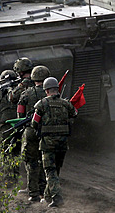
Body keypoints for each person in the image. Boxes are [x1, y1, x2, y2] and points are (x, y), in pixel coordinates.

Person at [32, 76, 78, 208]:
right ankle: (47, 196)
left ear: (46, 90)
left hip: (48, 144)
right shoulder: (65, 103)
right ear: (57, 89)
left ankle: (57, 197)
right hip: (62, 143)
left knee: (50, 170)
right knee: (55, 169)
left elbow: (35, 122)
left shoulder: (41, 104)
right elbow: (74, 113)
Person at [18, 65, 49, 203]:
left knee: (30, 161)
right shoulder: (51, 93)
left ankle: (33, 193)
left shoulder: (26, 93)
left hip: (30, 130)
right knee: (44, 160)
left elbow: (20, 112)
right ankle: (44, 190)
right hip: (47, 131)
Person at [0, 69, 21, 180]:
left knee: (3, 153)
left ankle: (6, 179)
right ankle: (15, 176)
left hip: (4, 127)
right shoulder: (20, 93)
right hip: (19, 125)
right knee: (16, 152)